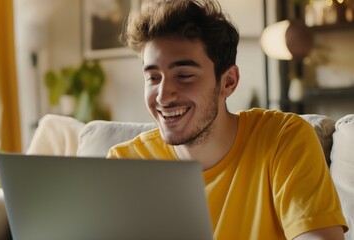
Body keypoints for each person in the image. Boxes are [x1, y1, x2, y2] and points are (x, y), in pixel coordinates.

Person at [106, 0, 348, 239]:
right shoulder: (125, 163)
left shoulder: (283, 139)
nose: (163, 96)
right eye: (153, 78)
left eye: (184, 75)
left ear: (228, 82)